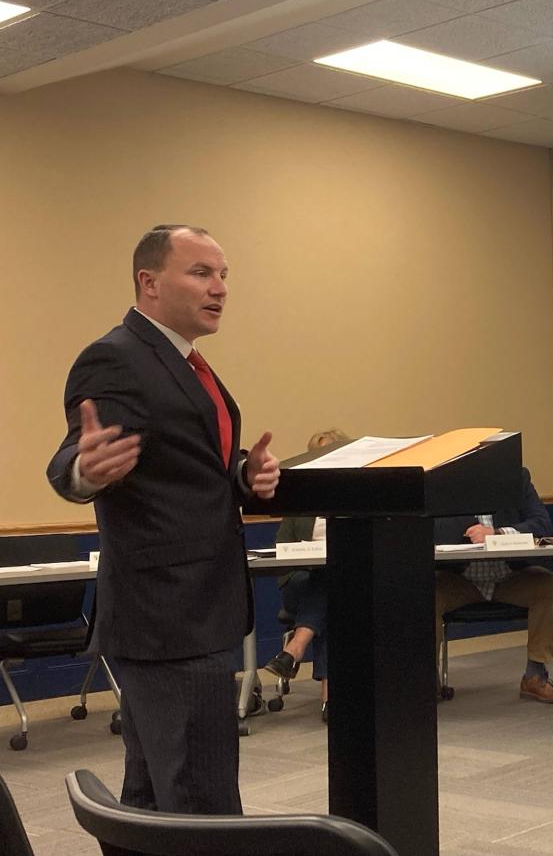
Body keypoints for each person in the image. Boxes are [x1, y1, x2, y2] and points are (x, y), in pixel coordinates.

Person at [47, 224, 280, 815]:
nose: (220, 287)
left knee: (155, 796)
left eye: (224, 274)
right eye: (201, 272)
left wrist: (245, 477)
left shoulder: (190, 364)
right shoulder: (117, 357)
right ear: (149, 283)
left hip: (191, 612)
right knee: (202, 803)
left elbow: (186, 472)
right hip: (168, 617)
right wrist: (86, 471)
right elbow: (72, 455)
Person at [434, 468, 553, 702]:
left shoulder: (516, 479)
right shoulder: (447, 483)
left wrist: (497, 534)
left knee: (548, 587)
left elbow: (542, 524)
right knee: (426, 594)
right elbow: (434, 529)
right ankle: (426, 680)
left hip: (509, 576)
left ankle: (535, 676)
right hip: (460, 578)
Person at [263, 429, 351, 724]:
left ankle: (295, 648)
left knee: (333, 593)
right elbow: (281, 545)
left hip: (339, 584)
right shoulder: (302, 501)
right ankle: (329, 696)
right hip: (299, 581)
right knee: (328, 586)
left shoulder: (355, 499)